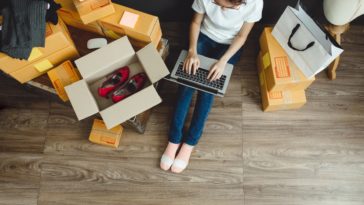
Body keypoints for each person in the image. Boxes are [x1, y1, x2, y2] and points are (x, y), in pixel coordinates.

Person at [160, 0, 264, 173]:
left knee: (208, 90)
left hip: (230, 45)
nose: (221, 8)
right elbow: (195, 22)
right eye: (217, 3)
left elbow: (242, 36)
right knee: (187, 84)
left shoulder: (255, 3)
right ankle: (174, 138)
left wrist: (223, 61)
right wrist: (192, 51)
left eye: (227, 6)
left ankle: (190, 142)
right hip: (204, 36)